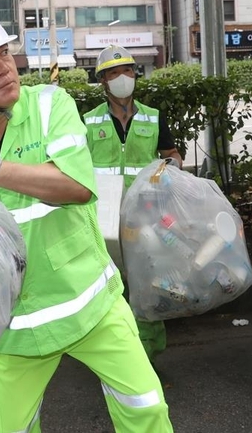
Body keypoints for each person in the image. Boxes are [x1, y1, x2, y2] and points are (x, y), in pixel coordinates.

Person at [0, 6, 173, 433]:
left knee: (145, 408)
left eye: (4, 53)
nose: (5, 68)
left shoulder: (49, 105)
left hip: (90, 306)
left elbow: (76, 185)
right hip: (14, 331)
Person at [84, 45, 184, 361]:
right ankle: (115, 352)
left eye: (128, 71)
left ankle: (147, 352)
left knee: (146, 285)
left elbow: (173, 157)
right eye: (114, 73)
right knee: (108, 287)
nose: (123, 78)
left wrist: (168, 171)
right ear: (103, 81)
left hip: (146, 216)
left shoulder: (154, 118)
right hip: (104, 218)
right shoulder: (87, 121)